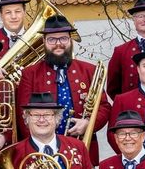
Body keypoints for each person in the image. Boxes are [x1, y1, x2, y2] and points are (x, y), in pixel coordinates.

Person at [13, 14, 107, 154]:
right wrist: (36, 149)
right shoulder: (30, 74)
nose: (58, 44)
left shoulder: (89, 70)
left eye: (63, 38)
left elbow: (104, 107)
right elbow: (23, 116)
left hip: (82, 149)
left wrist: (88, 125)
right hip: (41, 151)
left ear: (71, 40)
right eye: (52, 39)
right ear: (43, 41)